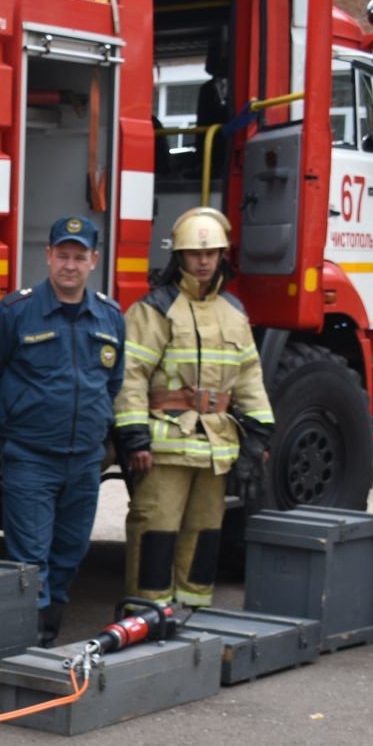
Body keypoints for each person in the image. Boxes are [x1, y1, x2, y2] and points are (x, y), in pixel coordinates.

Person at [0, 215, 125, 644]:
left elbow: (114, 382)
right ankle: (31, 640)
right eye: (63, 255)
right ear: (49, 255)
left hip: (85, 461)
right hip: (31, 457)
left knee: (71, 552)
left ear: (93, 260)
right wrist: (11, 424)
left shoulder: (110, 317)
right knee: (30, 557)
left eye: (79, 257)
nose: (70, 265)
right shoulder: (16, 311)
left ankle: (49, 627)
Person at [113, 206, 274, 608]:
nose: (203, 261)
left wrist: (258, 434)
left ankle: (191, 614)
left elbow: (250, 377)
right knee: (156, 531)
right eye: (194, 254)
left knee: (205, 534)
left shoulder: (234, 313)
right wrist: (134, 437)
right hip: (165, 446)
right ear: (179, 257)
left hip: (215, 448)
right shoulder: (155, 309)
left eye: (211, 253)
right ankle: (145, 616)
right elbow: (130, 375)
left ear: (222, 256)